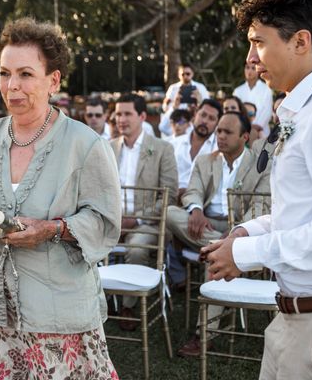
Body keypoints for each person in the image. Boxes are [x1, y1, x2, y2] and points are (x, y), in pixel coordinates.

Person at [0, 18, 121, 378]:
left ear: (54, 80)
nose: (12, 85)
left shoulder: (86, 144)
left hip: (57, 312)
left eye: (25, 74)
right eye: (4, 73)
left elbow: (106, 222)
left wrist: (51, 229)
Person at [202, 0, 312, 379]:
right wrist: (247, 232)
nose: (253, 58)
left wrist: (245, 256)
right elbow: (302, 211)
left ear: (300, 41)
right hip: (292, 317)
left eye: (259, 42)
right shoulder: (302, 108)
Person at [168, 112, 271, 357]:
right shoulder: (206, 161)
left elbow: (261, 207)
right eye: (219, 132)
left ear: (245, 137)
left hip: (241, 230)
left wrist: (236, 232)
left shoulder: (260, 165)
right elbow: (192, 191)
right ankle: (219, 246)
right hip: (206, 226)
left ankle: (205, 334)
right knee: (171, 212)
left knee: (215, 256)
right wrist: (194, 209)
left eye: (227, 132)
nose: (221, 136)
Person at [109, 93, 178, 330]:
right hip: (111, 221)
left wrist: (135, 219)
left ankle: (128, 306)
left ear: (142, 116)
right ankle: (96, 300)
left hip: (146, 222)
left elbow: (169, 195)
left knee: (137, 248)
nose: (121, 119)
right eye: (118, 113)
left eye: (127, 113)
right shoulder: (108, 148)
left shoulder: (161, 149)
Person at [170, 98, 222, 195]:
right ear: (195, 114)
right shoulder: (173, 144)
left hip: (202, 203)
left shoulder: (219, 150)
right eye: (203, 115)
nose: (205, 121)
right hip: (171, 199)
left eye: (211, 118)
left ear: (217, 124)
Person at [159, 63, 210, 137]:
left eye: (188, 74)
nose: (185, 76)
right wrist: (174, 105)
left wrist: (200, 100)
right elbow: (165, 107)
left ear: (192, 74)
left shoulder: (200, 87)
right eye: (182, 74)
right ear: (178, 75)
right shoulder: (173, 88)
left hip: (194, 122)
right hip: (177, 123)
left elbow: (208, 108)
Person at [233, 61, 274, 135]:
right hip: (241, 130)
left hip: (261, 131)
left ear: (258, 70)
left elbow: (267, 111)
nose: (249, 71)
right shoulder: (237, 91)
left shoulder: (266, 89)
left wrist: (256, 126)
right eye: (247, 68)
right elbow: (235, 110)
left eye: (253, 68)